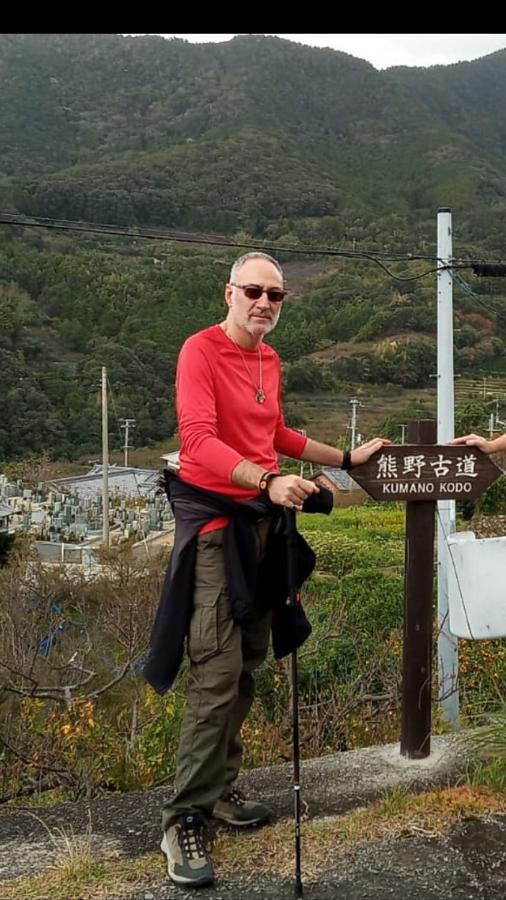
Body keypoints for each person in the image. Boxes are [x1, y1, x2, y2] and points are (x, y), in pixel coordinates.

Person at [151, 251, 389, 887]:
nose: (264, 303)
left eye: (275, 295)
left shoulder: (269, 358)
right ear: (228, 293)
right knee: (217, 669)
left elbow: (275, 430)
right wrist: (268, 479)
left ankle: (220, 788)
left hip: (262, 526)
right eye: (253, 291)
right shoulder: (198, 351)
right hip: (214, 530)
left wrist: (346, 456)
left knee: (249, 659)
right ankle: (184, 818)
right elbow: (197, 441)